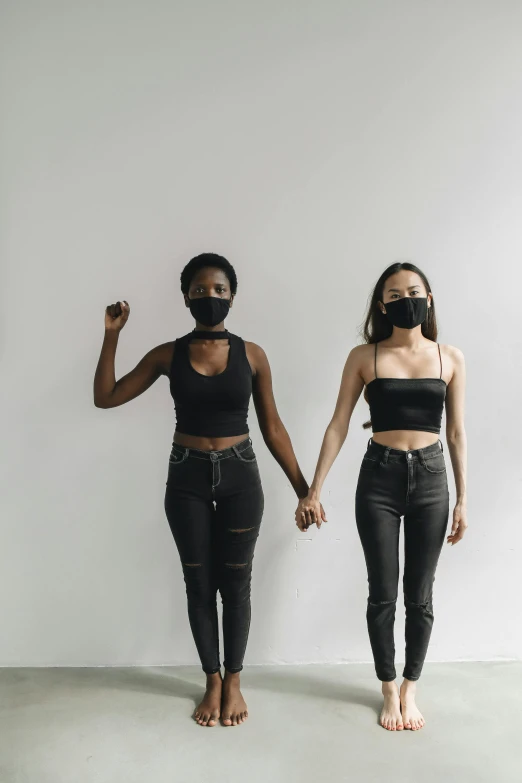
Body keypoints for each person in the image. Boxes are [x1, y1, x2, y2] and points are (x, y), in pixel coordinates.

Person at [94, 252, 319, 727]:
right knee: (199, 584)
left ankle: (234, 680)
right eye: (200, 290)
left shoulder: (252, 354)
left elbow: (273, 427)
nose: (210, 296)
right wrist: (112, 335)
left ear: (232, 296)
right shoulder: (166, 354)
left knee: (235, 584)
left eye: (219, 289)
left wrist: (305, 490)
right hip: (187, 477)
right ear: (185, 298)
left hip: (241, 475)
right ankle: (212, 679)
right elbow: (106, 396)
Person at [295, 262, 467, 732]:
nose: (404, 299)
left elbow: (455, 432)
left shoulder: (449, 357)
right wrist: (314, 488)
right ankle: (387, 687)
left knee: (421, 596)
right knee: (383, 594)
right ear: (380, 305)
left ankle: (411, 687)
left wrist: (463, 499)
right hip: (379, 478)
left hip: (432, 478)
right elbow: (338, 424)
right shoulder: (364, 356)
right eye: (393, 294)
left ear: (428, 298)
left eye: (413, 291)